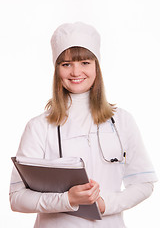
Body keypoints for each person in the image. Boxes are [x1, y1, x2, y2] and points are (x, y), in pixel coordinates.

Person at [9, 22, 157, 228]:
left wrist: (105, 204)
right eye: (66, 64)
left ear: (96, 66)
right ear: (57, 69)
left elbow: (144, 183)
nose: (76, 71)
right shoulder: (39, 127)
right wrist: (67, 200)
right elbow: (17, 198)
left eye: (85, 62)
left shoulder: (122, 121)